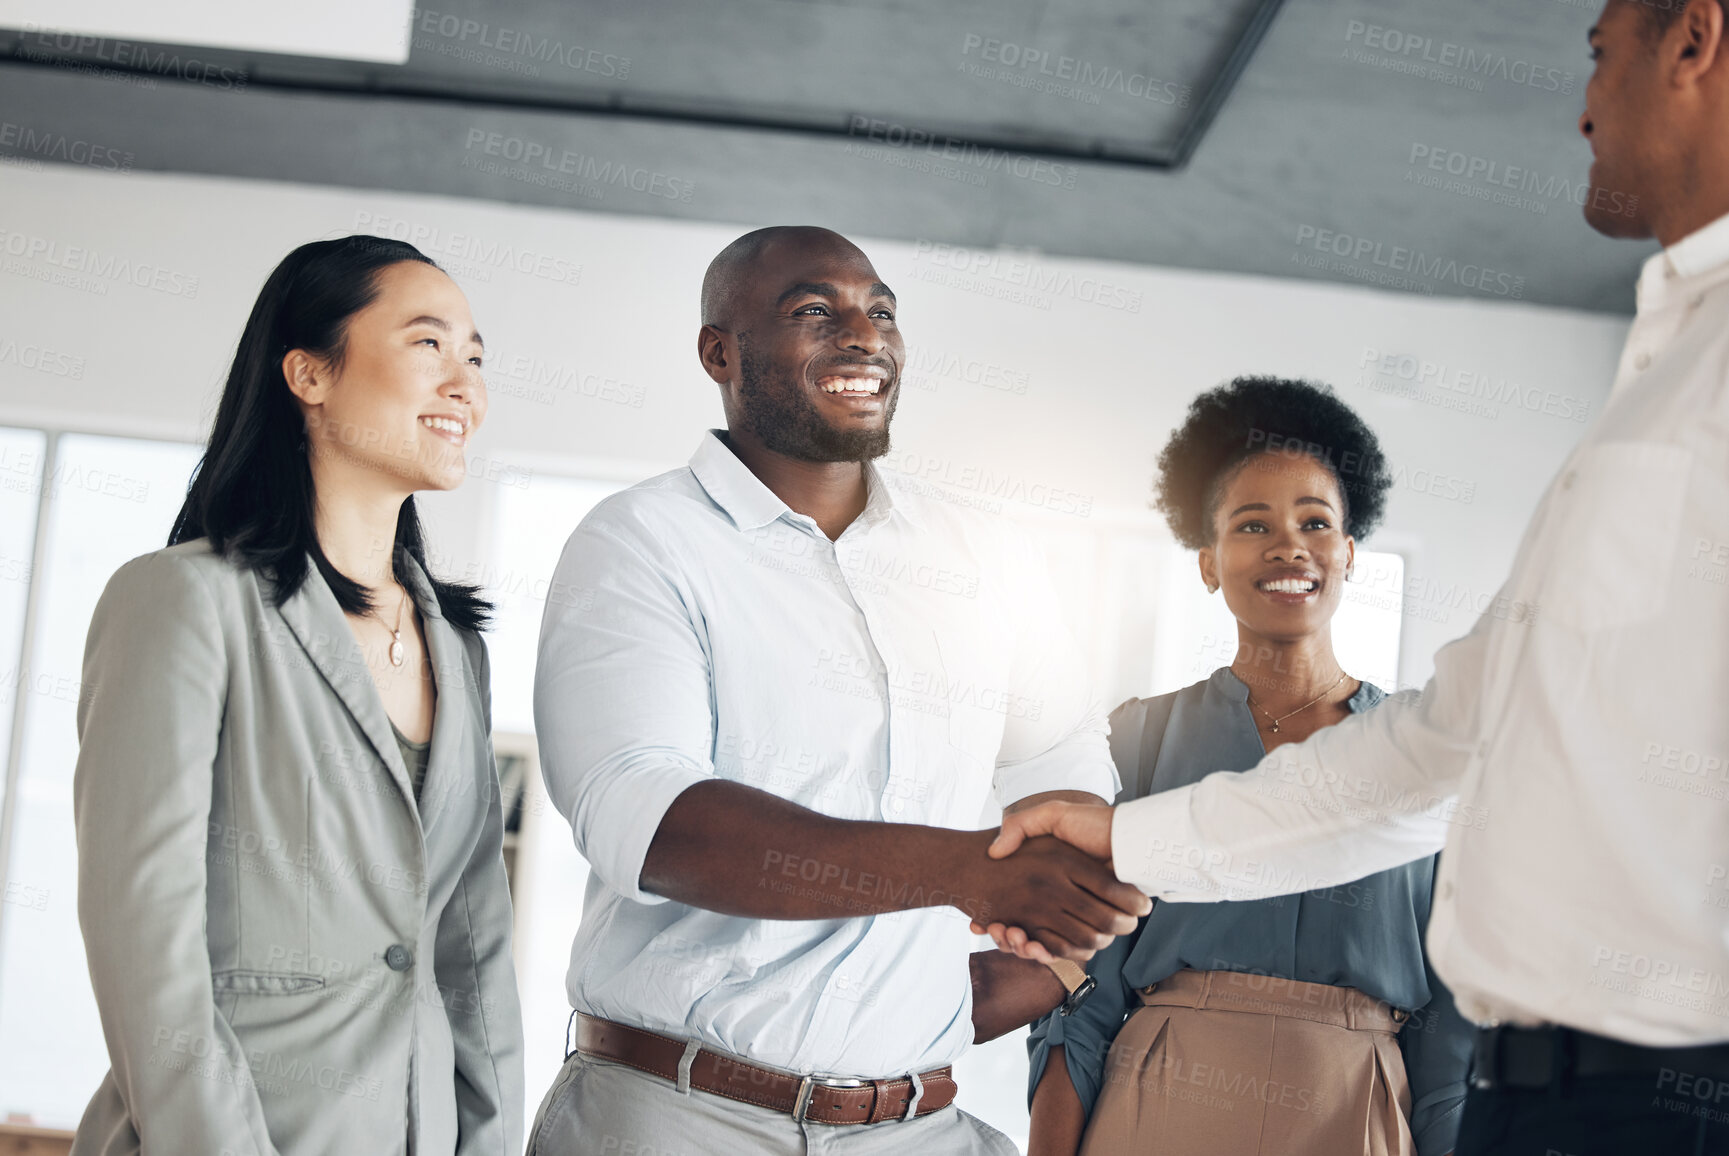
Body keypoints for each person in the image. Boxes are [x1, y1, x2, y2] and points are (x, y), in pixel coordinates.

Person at [984, 2, 1729, 1152]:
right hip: (1535, 1097)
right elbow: (1442, 749)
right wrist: (1124, 841)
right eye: (1248, 524)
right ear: (1204, 556)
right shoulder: (1669, 365)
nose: (1579, 106)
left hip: (1652, 1086)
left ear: (1693, 38)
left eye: (1596, 53)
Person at [527, 225, 1149, 1155]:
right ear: (718, 353)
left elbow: (1068, 776)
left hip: (921, 1129)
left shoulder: (983, 557)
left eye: (881, 311)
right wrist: (965, 867)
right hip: (680, 1120)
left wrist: (1048, 961)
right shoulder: (639, 542)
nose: (864, 335)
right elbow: (652, 822)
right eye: (814, 311)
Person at [70, 236, 524, 1155]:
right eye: (429, 345)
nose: (465, 386)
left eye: (476, 358)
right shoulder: (183, 600)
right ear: (309, 374)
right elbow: (142, 940)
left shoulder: (457, 648)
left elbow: (471, 950)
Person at [1021, 378, 1471, 1156]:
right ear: (1207, 562)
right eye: (1252, 523)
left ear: (1349, 553)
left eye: (1315, 522)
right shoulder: (1135, 738)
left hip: (1356, 1099)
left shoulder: (1421, 753)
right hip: (1161, 1091)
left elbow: (1452, 1019)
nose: (1287, 545)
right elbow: (1078, 996)